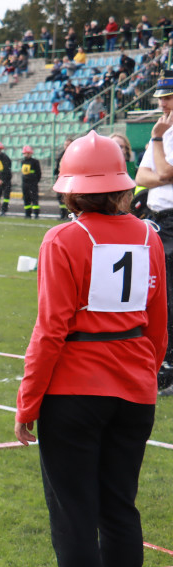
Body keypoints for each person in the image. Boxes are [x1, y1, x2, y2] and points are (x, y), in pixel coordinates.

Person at [15, 131, 167, 567]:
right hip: (135, 392)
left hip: (74, 396)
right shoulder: (149, 237)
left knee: (75, 511)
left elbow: (50, 331)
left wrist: (27, 402)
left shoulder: (63, 239)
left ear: (72, 189)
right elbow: (158, 327)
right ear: (122, 186)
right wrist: (140, 372)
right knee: (119, 504)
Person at [136, 71, 173, 391]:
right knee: (153, 293)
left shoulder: (161, 132)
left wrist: (159, 139)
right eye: (161, 97)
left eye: (169, 97)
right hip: (156, 218)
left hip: (172, 220)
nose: (163, 103)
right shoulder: (162, 130)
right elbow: (143, 176)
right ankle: (159, 358)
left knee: (170, 296)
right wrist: (162, 173)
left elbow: (162, 170)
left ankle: (169, 366)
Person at [20, 145, 42, 218]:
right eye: (25, 153)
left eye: (27, 153)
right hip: (25, 183)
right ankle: (27, 213)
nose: (26, 155)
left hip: (32, 183)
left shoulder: (35, 162)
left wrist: (35, 181)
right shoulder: (23, 161)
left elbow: (39, 173)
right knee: (26, 198)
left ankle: (36, 213)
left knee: (34, 198)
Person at [0, 141, 12, 215]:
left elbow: (5, 170)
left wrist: (2, 179)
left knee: (4, 196)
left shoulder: (3, 158)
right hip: (2, 179)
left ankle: (2, 210)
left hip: (5, 180)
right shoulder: (0, 157)